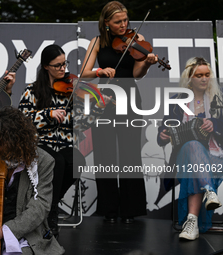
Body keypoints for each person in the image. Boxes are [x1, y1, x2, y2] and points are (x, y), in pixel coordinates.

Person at [18, 44, 111, 236]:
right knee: (56, 162)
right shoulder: (32, 91)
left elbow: (81, 125)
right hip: (40, 144)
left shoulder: (71, 91)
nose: (63, 69)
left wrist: (98, 108)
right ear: (46, 66)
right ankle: (50, 212)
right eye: (58, 65)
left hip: (64, 144)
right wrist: (48, 114)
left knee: (78, 161)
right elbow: (22, 121)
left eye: (65, 64)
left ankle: (48, 204)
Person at [80, 1, 158, 223]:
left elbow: (136, 74)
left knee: (129, 153)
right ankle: (109, 210)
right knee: (104, 153)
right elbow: (84, 73)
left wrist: (148, 63)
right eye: (118, 22)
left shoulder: (138, 41)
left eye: (125, 20)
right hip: (103, 100)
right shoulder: (96, 42)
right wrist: (99, 70)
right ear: (106, 23)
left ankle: (130, 209)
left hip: (129, 99)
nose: (123, 25)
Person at [0, 106, 65, 254]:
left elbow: (40, 207)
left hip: (23, 231)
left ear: (13, 143)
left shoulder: (43, 162)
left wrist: (4, 230)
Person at [157, 57, 223, 240]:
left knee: (195, 168)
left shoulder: (219, 100)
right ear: (189, 78)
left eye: (207, 75)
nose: (204, 79)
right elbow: (164, 130)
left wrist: (215, 124)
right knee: (193, 146)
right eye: (199, 75)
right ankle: (209, 191)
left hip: (216, 155)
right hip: (183, 157)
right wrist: (162, 135)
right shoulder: (176, 101)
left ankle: (191, 222)